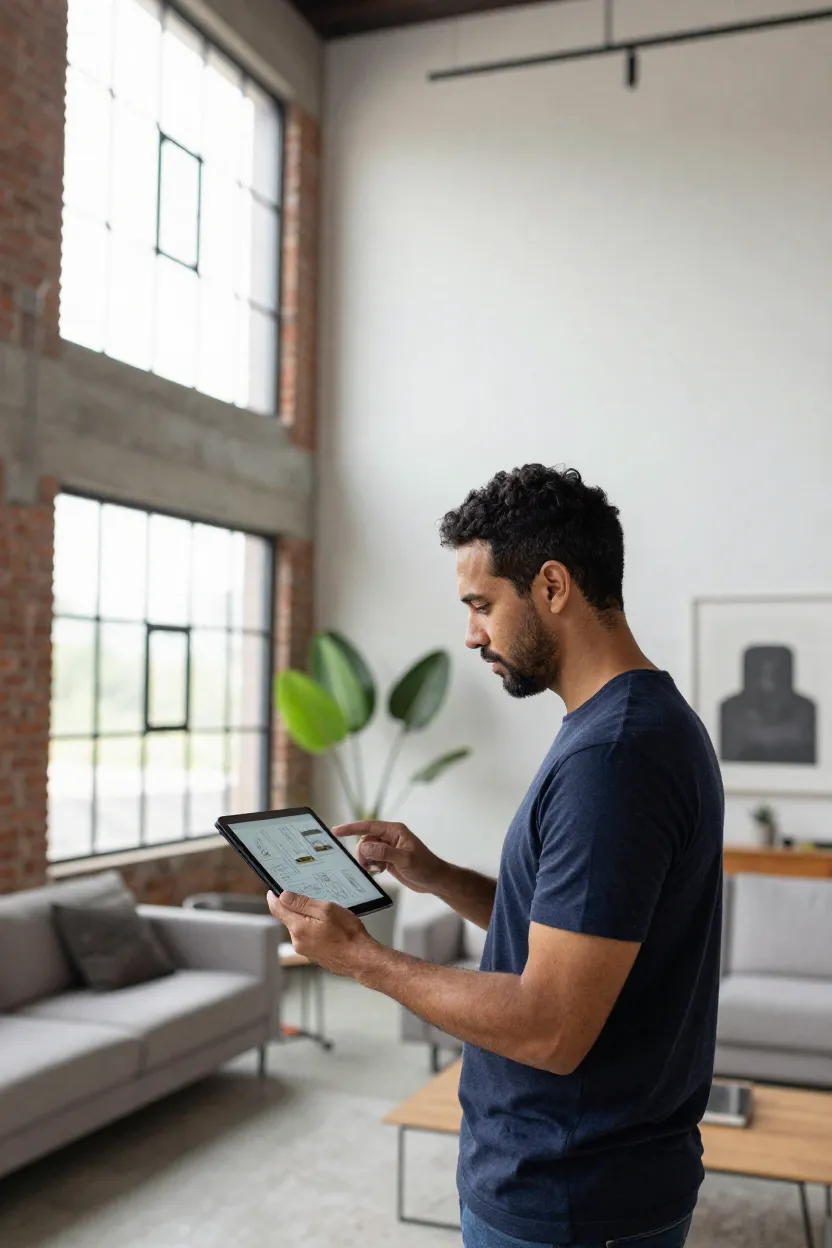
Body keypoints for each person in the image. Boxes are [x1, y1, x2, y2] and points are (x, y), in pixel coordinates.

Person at [269, 464, 724, 1248]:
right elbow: (581, 936)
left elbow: (551, 1026)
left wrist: (361, 961)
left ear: (552, 586)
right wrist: (434, 874)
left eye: (482, 604)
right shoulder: (635, 724)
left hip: (570, 1196)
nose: (471, 633)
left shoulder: (612, 758)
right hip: (586, 1180)